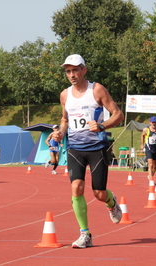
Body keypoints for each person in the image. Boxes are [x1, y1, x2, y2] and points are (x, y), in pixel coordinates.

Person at [57, 54, 124, 248]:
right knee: (76, 187)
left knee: (98, 193)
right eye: (68, 71)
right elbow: (65, 119)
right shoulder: (64, 94)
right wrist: (60, 133)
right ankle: (85, 234)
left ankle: (111, 202)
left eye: (75, 70)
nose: (72, 74)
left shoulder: (97, 89)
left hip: (97, 148)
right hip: (75, 149)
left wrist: (102, 126)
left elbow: (118, 114)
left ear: (84, 70)